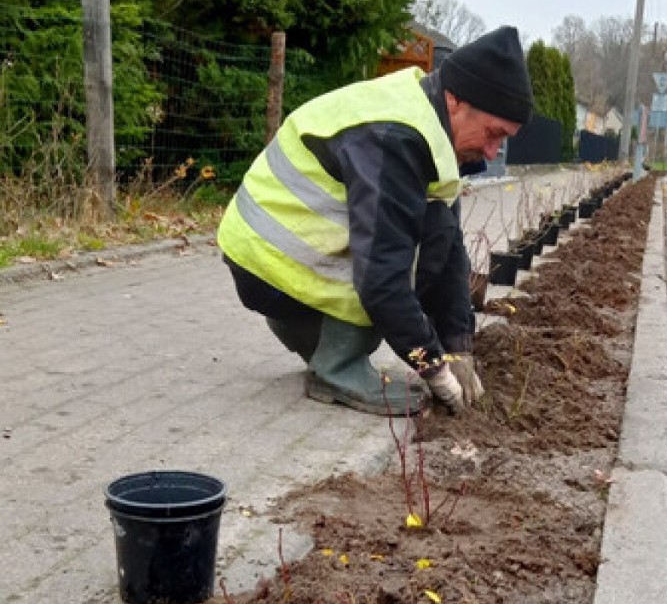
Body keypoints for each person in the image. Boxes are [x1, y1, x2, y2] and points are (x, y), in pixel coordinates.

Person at [217, 26, 533, 415]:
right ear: (455, 101)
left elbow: (450, 249)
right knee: (403, 260)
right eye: (492, 134)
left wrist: (457, 347)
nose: (491, 150)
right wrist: (431, 365)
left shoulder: (425, 119)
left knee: (435, 233)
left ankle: (309, 333)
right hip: (268, 266)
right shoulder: (396, 138)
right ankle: (336, 367)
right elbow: (383, 278)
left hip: (269, 258)